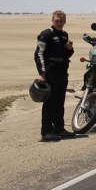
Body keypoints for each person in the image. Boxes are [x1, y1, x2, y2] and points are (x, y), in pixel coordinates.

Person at [35, 10, 74, 141]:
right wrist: (42, 73)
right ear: (53, 20)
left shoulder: (64, 35)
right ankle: (46, 132)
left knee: (60, 103)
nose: (59, 23)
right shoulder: (46, 34)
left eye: (62, 21)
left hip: (62, 73)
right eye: (57, 20)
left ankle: (59, 129)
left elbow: (64, 55)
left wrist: (69, 49)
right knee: (49, 103)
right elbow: (38, 54)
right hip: (50, 74)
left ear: (65, 22)